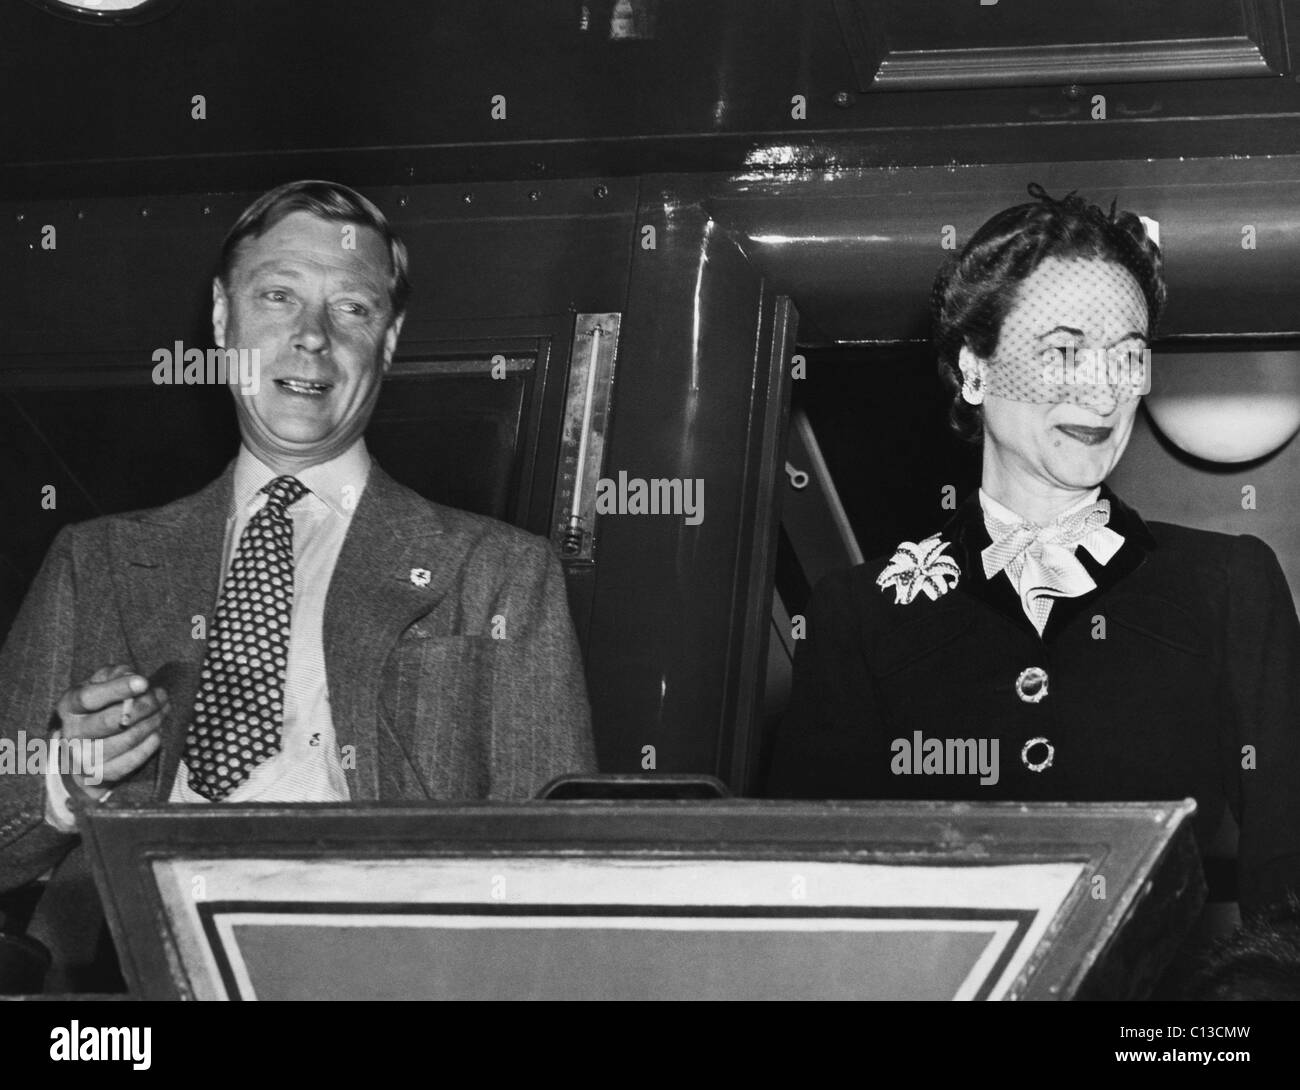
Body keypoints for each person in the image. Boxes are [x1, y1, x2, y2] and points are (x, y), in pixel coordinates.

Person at [0, 180, 596, 987]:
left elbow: (563, 882)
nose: (311, 337)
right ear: (222, 319)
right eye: (278, 296)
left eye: (351, 308)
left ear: (388, 340)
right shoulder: (94, 561)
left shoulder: (500, 575)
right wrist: (66, 779)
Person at [768, 185, 1300, 921]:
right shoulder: (861, 615)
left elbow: (1291, 882)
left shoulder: (1229, 585)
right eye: (1063, 351)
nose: (1105, 390)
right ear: (974, 369)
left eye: (1128, 357)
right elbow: (811, 897)